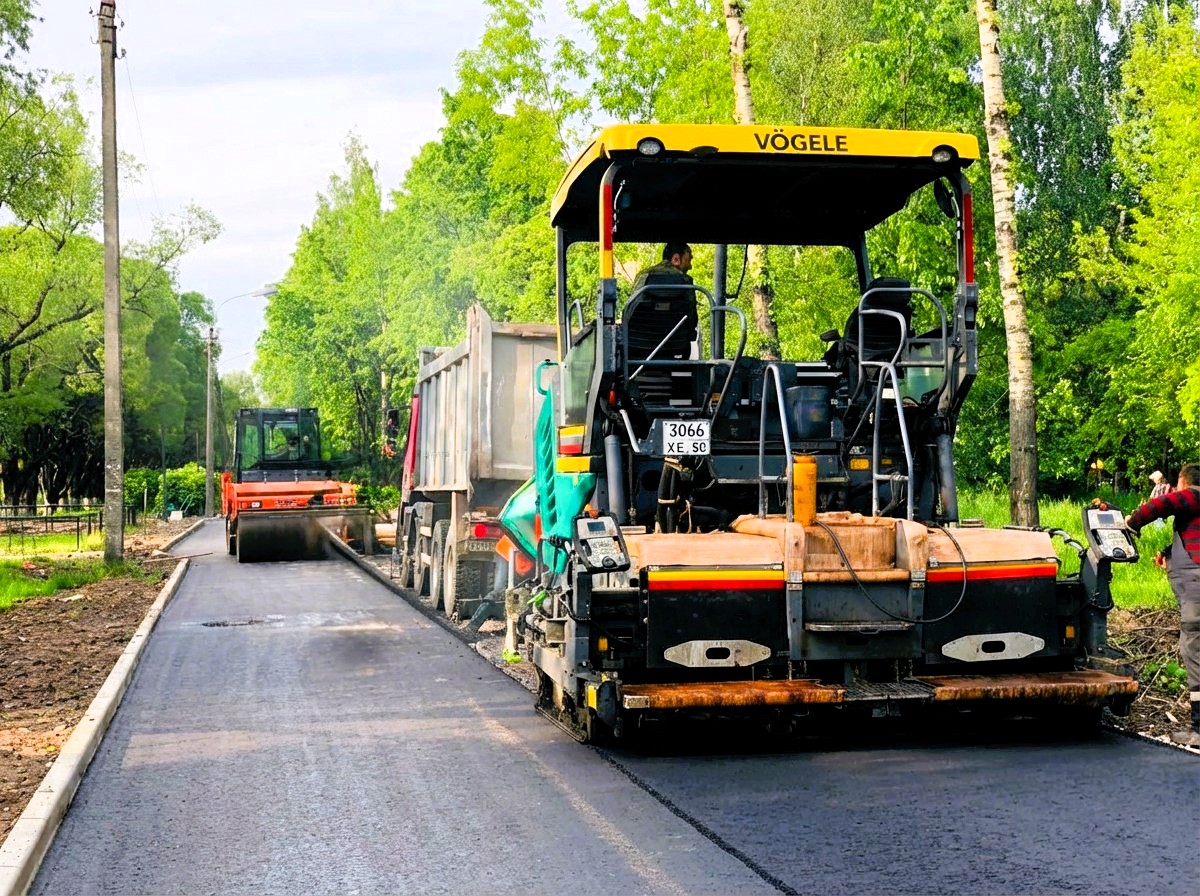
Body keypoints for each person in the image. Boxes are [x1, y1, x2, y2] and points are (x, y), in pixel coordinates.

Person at [1125, 463, 1200, 745]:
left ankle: (1199, 729)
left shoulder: (1194, 494)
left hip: (1195, 595)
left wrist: (1131, 523)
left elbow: (1160, 504)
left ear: (1185, 482)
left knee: (1194, 649)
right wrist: (1169, 556)